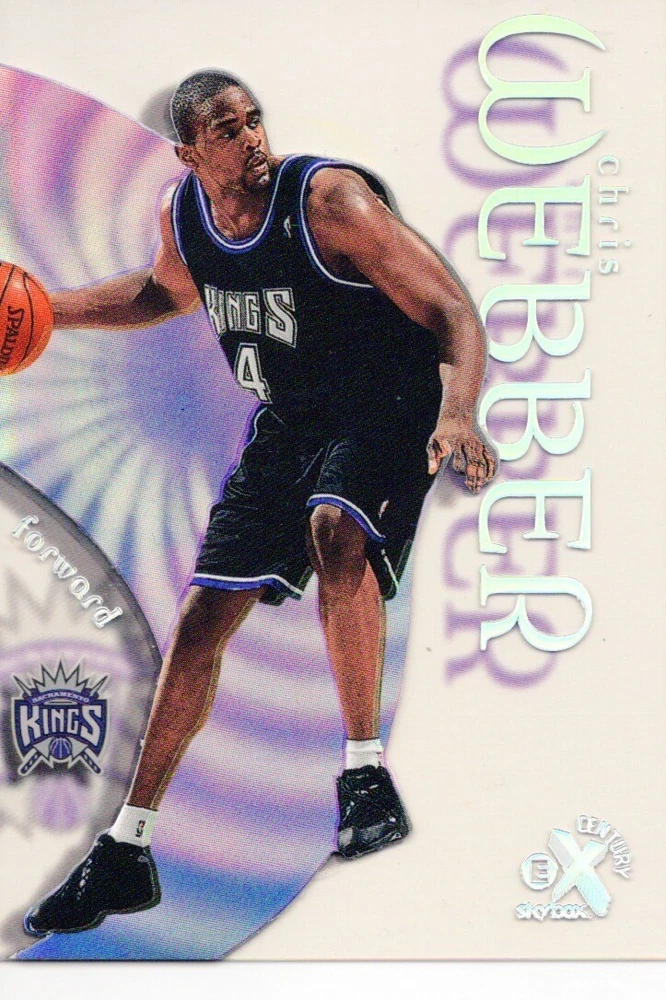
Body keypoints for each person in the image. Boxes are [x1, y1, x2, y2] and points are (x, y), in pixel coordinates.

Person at [24, 70, 497, 937]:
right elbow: (162, 294)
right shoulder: (184, 216)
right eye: (227, 129)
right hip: (290, 422)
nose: (251, 139)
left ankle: (366, 779)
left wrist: (457, 411)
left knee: (334, 529)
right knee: (202, 617)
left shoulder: (329, 201)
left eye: (253, 120)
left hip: (388, 403)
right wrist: (44, 311)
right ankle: (126, 850)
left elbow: (451, 312)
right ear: (189, 152)